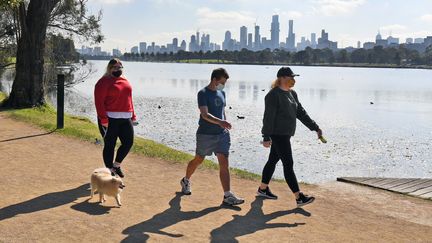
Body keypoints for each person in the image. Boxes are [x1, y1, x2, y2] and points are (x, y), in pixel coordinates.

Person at [257, 67, 323, 207]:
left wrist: (315, 127)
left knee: (272, 160)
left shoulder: (292, 94)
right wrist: (266, 136)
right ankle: (299, 197)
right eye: (290, 77)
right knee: (288, 164)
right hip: (277, 134)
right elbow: (268, 117)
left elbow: (301, 113)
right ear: (282, 78)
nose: (293, 80)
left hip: (286, 134)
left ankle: (263, 189)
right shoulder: (273, 95)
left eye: (294, 77)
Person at [180, 68, 244, 206]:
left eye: (225, 83)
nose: (223, 85)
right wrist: (221, 122)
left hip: (222, 135)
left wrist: (224, 125)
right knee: (198, 159)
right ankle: (186, 180)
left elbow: (222, 111)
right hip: (205, 134)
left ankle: (227, 195)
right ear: (214, 79)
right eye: (222, 82)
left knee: (224, 163)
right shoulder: (203, 93)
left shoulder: (222, 93)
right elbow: (204, 114)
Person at [94, 58, 137, 178]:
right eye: (115, 67)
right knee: (110, 145)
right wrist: (103, 119)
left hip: (126, 117)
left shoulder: (125, 80)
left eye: (120, 67)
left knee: (128, 142)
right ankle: (109, 170)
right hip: (110, 118)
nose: (118, 69)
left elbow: (129, 98)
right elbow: (99, 102)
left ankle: (116, 165)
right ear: (109, 68)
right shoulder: (103, 82)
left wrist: (133, 115)